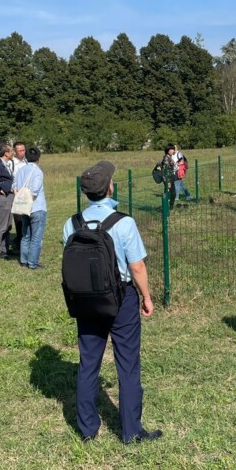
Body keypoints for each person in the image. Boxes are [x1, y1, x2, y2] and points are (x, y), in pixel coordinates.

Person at [63, 161, 161, 444]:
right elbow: (138, 267)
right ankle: (131, 431)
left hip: (85, 300)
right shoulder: (124, 222)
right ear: (110, 188)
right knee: (127, 363)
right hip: (121, 298)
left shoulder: (71, 223)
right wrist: (147, 297)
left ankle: (87, 429)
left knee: (88, 363)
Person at [14, 146, 46, 269]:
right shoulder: (37, 171)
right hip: (37, 207)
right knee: (36, 237)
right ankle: (32, 263)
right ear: (38, 158)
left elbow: (15, 186)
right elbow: (35, 191)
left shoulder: (21, 170)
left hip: (23, 208)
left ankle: (23, 260)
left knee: (25, 235)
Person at [9, 141, 29, 254]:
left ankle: (25, 239)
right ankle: (20, 241)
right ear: (15, 152)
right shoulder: (12, 163)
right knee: (19, 219)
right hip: (17, 194)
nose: (22, 153)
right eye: (20, 151)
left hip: (27, 194)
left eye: (23, 150)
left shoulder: (27, 161)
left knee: (27, 217)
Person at [161, 144, 179, 210]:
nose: (172, 150)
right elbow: (164, 171)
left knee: (173, 194)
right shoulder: (166, 158)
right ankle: (166, 208)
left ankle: (170, 207)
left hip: (171, 178)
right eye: (171, 149)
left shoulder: (170, 157)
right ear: (167, 150)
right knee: (167, 194)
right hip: (167, 178)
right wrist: (167, 181)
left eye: (173, 149)